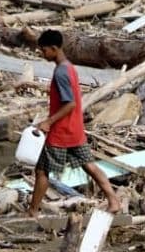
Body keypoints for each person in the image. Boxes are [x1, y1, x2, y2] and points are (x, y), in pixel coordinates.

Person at [27, 29, 120, 215]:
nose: (42, 54)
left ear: (54, 48)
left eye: (44, 50)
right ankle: (113, 200)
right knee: (90, 165)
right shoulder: (69, 67)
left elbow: (70, 103)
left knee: (42, 171)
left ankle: (33, 211)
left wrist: (48, 122)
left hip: (61, 131)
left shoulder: (61, 72)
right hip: (75, 130)